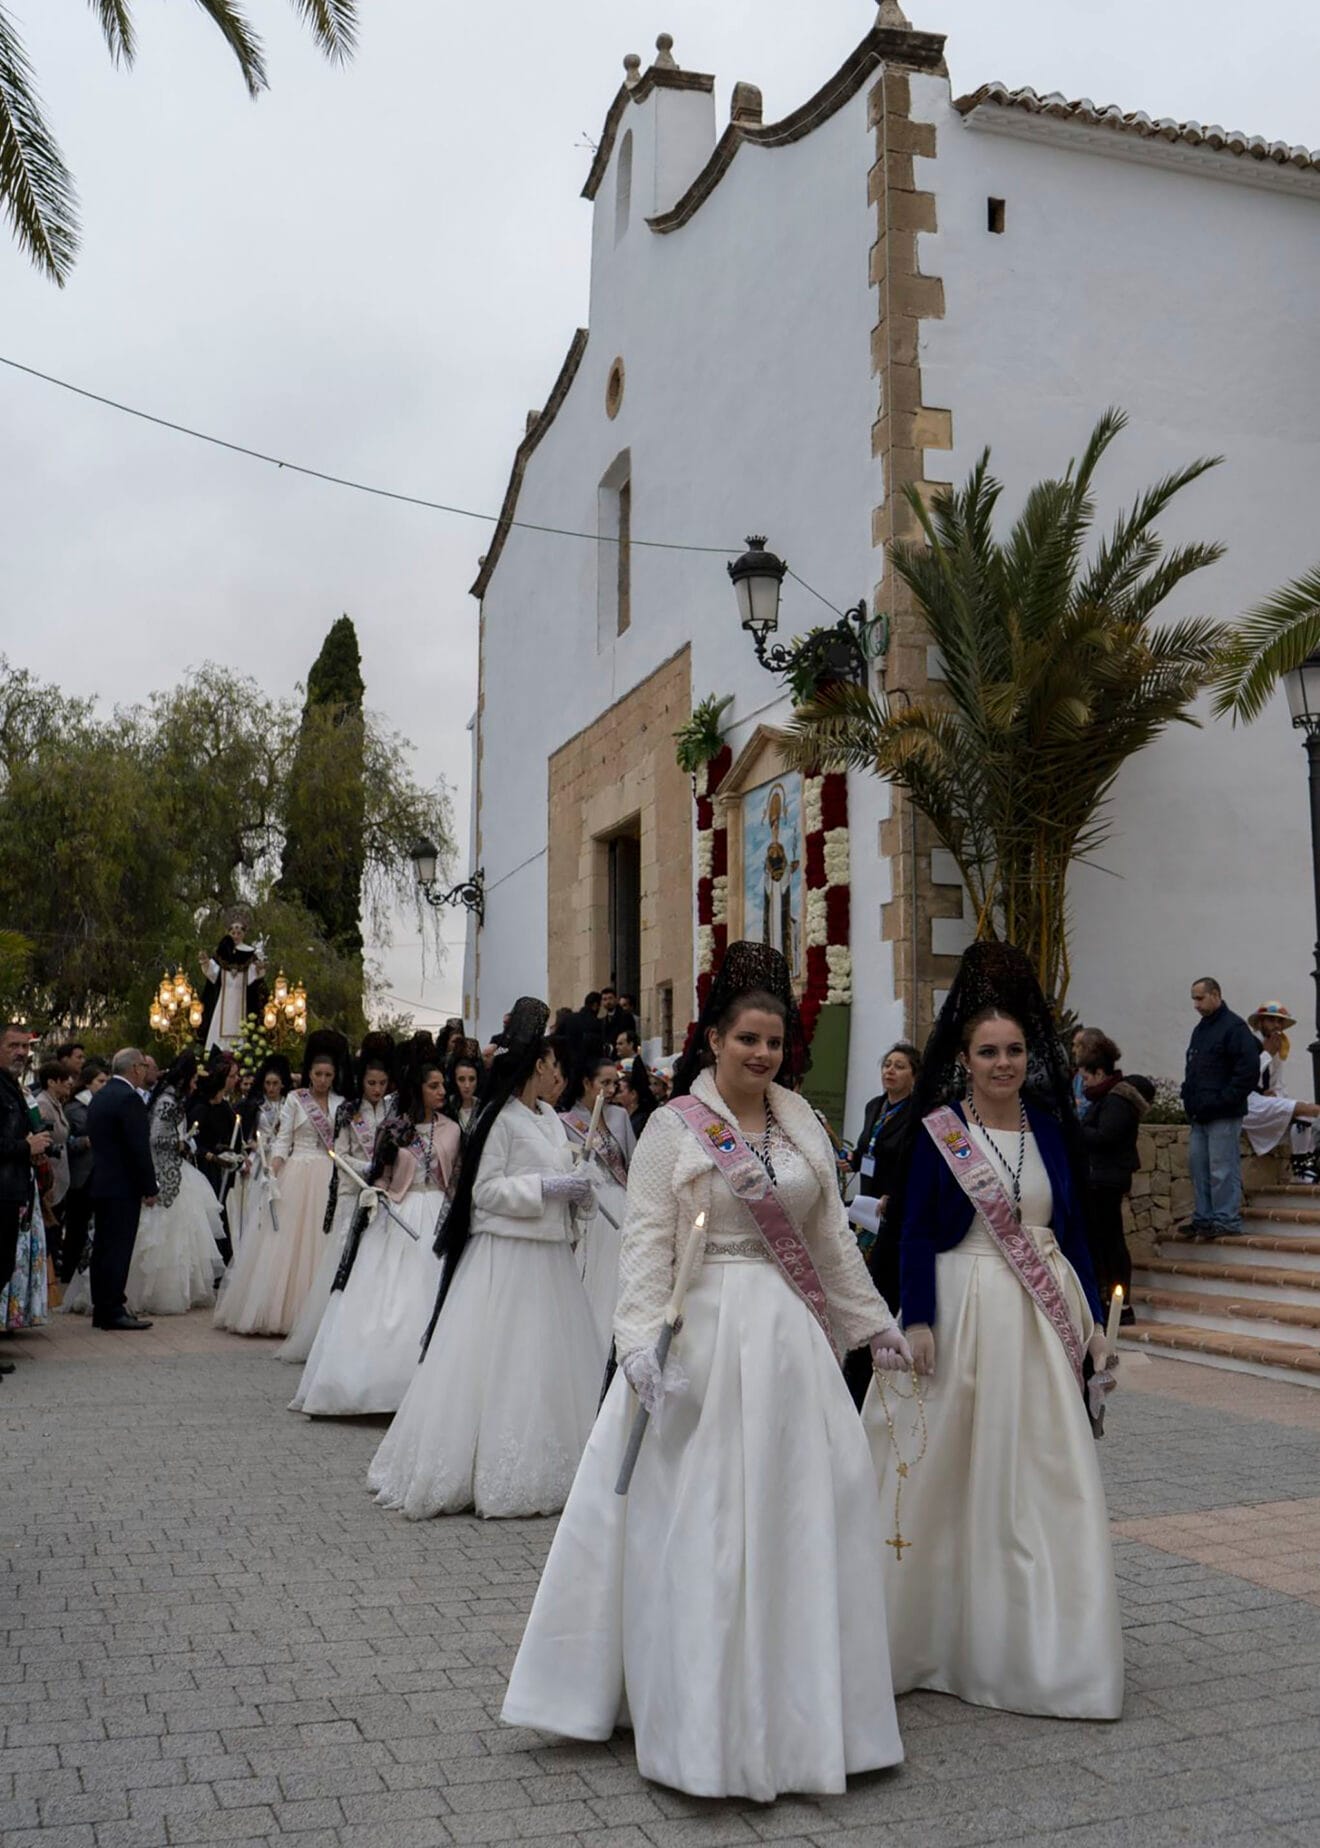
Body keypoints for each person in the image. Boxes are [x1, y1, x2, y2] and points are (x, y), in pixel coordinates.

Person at [502, 942, 909, 1799]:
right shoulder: (671, 1129)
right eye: (747, 1040)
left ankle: (809, 1717)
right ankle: (704, 1721)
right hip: (702, 1338)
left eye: (774, 1044)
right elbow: (648, 1240)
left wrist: (873, 1324)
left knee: (806, 1514)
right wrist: (639, 1343)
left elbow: (830, 1236)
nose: (762, 1056)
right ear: (714, 1040)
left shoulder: (800, 1119)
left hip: (792, 1345)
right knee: (709, 1522)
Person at [863, 941, 1122, 1721]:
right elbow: (910, 1233)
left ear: (1028, 1055)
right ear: (965, 1058)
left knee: (1042, 1475)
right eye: (988, 1051)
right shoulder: (941, 1131)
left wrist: (1095, 1329)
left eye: (1013, 1049)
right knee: (944, 1476)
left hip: (1042, 1324)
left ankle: (1041, 1648)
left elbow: (1070, 1234)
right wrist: (918, 1318)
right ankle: (926, 1638)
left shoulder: (1049, 1126)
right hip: (964, 1306)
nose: (1003, 1062)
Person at [368, 999, 602, 1520]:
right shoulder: (501, 1119)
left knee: (548, 1366)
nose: (558, 1076)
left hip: (548, 1261)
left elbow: (563, 1173)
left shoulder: (549, 1120)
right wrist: (546, 1187)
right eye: (552, 1066)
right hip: (508, 1258)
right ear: (536, 1066)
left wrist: (578, 1193)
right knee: (503, 1365)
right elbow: (486, 1190)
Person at [293, 1057, 458, 1417]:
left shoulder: (452, 1129)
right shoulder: (394, 1129)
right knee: (389, 1300)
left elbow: (456, 1179)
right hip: (400, 1212)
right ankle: (376, 1388)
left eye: (443, 1085)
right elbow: (381, 1174)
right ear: (418, 1089)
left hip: (438, 1216)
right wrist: (376, 1192)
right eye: (434, 1086)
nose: (442, 1091)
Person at [213, 1035, 345, 1335]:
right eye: (318, 1074)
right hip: (297, 1172)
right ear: (309, 1074)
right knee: (287, 1243)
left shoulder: (340, 1104)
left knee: (321, 1242)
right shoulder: (296, 1100)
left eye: (328, 1075)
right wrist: (272, 1170)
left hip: (328, 1173)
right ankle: (281, 1313)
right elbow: (283, 1141)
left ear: (334, 1076)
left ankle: (316, 1313)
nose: (322, 1080)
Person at [276, 1051, 395, 1367]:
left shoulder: (393, 1112)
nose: (377, 1089)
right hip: (352, 1192)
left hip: (384, 1194)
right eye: (371, 1082)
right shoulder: (349, 1112)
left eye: (382, 1083)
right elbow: (339, 1154)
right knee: (344, 1260)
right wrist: (370, 1166)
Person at [840, 1042, 921, 1405]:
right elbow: (867, 1149)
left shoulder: (917, 1114)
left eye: (899, 1066)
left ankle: (867, 1366)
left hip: (894, 1212)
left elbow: (913, 1163)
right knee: (863, 1281)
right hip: (868, 1209)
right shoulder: (875, 1106)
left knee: (880, 1286)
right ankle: (857, 1364)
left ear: (914, 1076)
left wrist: (897, 1194)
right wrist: (852, 1161)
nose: (890, 1071)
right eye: (887, 1065)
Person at [118, 1052, 224, 1317]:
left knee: (182, 1232)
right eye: (194, 1079)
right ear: (186, 1078)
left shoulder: (168, 1098)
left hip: (174, 1170)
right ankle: (158, 1292)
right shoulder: (168, 1101)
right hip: (166, 1172)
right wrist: (181, 1144)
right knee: (167, 1232)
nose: (196, 1084)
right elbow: (155, 1138)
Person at [1076, 1030, 1153, 1322]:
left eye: (1086, 1077)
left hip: (1107, 1180)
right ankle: (1108, 1299)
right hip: (1100, 1178)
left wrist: (1075, 1130)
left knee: (1111, 1243)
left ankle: (1120, 1304)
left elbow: (1107, 1136)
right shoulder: (1106, 1098)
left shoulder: (1117, 1100)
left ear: (1099, 1072)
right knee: (1102, 1241)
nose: (1083, 1083)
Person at [559, 1053, 633, 1350]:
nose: (611, 1089)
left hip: (622, 1202)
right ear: (586, 1083)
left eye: (615, 1083)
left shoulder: (620, 1117)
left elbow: (633, 1161)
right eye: (605, 1083)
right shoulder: (565, 1121)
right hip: (591, 1207)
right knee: (591, 1275)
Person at [1181, 977, 1261, 1238]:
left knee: (1222, 1168)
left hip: (1222, 1113)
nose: (1196, 1004)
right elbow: (1193, 1067)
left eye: (1200, 998)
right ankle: (1204, 1217)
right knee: (1199, 1168)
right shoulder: (1202, 1029)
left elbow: (1247, 1071)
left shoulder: (1234, 1028)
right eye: (1194, 998)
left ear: (1215, 995)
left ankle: (1225, 1219)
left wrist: (1224, 1099)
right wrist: (1189, 1097)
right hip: (1201, 1113)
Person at [86, 1049, 158, 1331]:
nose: (145, 1071)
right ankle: (113, 1307)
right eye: (143, 1065)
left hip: (102, 1181)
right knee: (118, 1248)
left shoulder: (102, 1095)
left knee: (102, 1247)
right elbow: (138, 1147)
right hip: (122, 1185)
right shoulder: (129, 1098)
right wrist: (149, 1185)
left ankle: (101, 1306)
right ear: (135, 1069)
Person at [0, 1024, 50, 1370]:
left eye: (24, 1046)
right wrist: (24, 1147)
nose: (21, 1052)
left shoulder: (10, 1086)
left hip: (11, 1190)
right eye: (13, 1045)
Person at [1244, 1002, 1320, 1178]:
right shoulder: (1249, 1044)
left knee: (1305, 1113)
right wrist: (1267, 1054)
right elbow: (1245, 1077)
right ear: (1260, 1023)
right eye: (1271, 1020)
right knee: (1312, 1110)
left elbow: (1276, 1085)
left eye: (1280, 1022)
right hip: (1245, 1104)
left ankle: (1302, 1169)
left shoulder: (1276, 1048)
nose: (1277, 1026)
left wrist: (1276, 1096)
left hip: (1262, 1102)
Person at [61, 1058, 108, 1283]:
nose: (104, 1086)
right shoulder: (74, 1109)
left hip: (98, 1171)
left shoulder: (103, 1105)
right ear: (88, 1083)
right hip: (80, 1173)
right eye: (100, 1081)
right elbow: (65, 1141)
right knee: (76, 1224)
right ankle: (70, 1269)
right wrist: (84, 1142)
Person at [197, 912, 267, 1052]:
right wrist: (205, 962)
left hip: (241, 1000)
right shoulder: (222, 952)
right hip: (224, 998)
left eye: (239, 932)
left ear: (244, 934)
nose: (236, 935)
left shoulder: (249, 954)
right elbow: (213, 971)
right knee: (218, 1025)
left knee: (242, 1026)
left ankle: (241, 1050)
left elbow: (254, 976)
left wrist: (260, 968)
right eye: (233, 932)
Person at [34, 1059, 74, 1261]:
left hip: (61, 1172)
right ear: (51, 1082)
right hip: (51, 1175)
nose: (69, 1083)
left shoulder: (56, 1103)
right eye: (63, 1079)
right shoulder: (43, 1104)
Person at [445, 1055, 482, 1147]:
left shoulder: (482, 1107)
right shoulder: (446, 1106)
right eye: (461, 1079)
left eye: (472, 1079)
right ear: (454, 1081)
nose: (467, 1085)